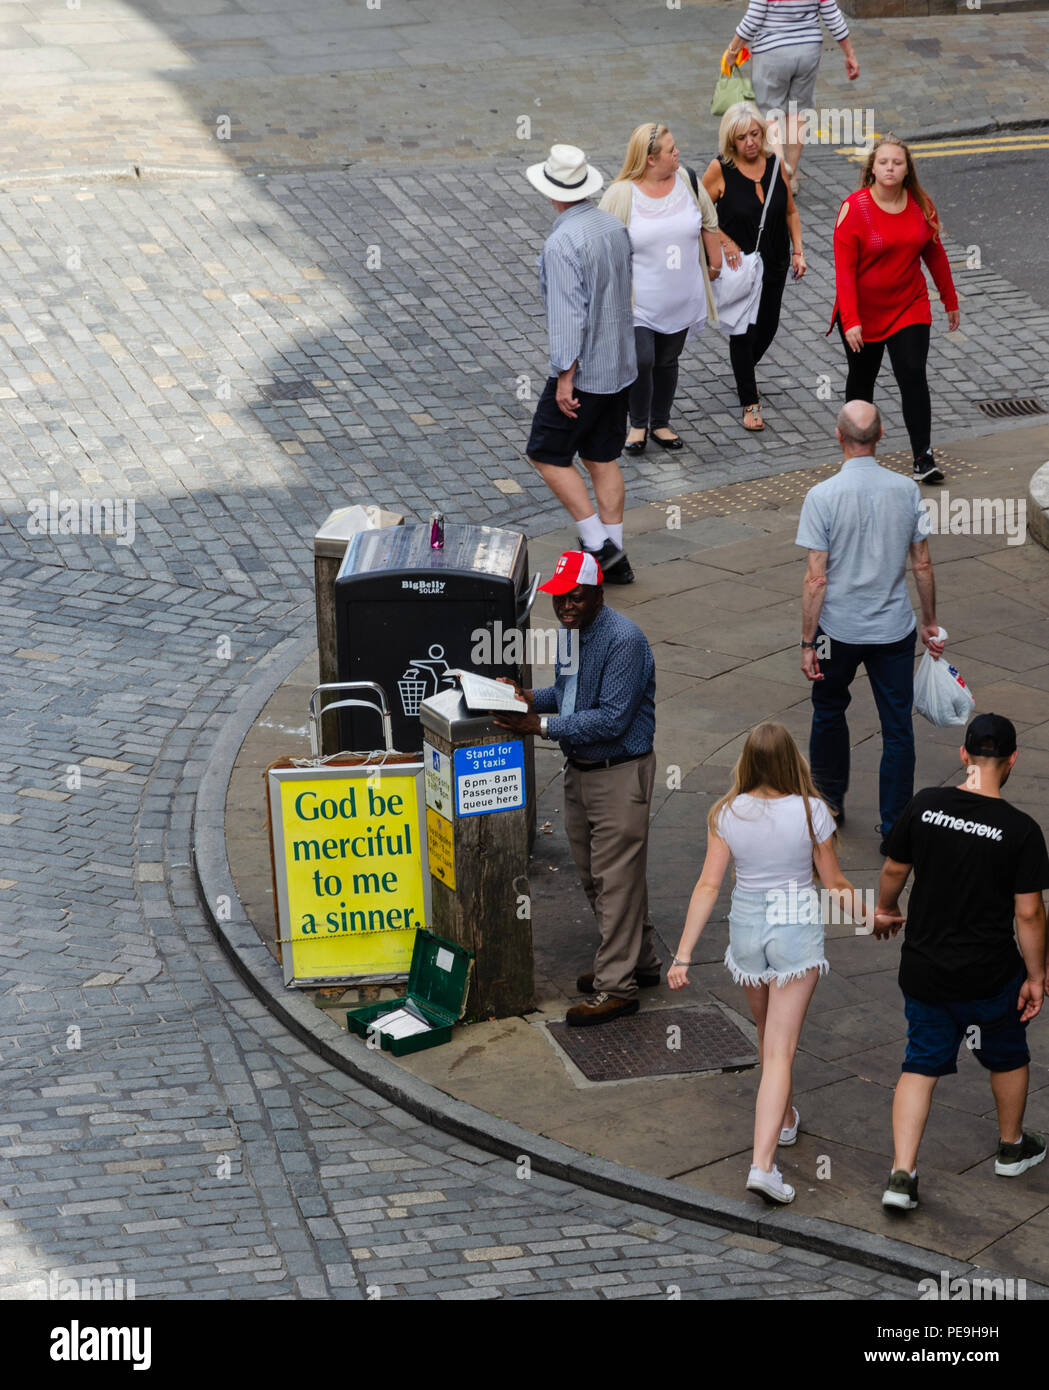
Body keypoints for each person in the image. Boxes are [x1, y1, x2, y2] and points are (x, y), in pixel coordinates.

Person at [669, 722, 892, 1204]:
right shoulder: (813, 812)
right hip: (794, 928)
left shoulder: (726, 812)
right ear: (793, 760)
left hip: (747, 927)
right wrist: (872, 918)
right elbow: (834, 885)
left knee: (768, 1034)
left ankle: (786, 1120)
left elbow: (708, 885)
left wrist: (683, 954)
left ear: (746, 761)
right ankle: (763, 1165)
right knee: (779, 1052)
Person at [875, 714, 1049, 1213]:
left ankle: (902, 1174)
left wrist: (887, 910)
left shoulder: (927, 804)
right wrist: (1036, 977)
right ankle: (1012, 1147)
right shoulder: (1021, 831)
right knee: (1008, 1052)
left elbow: (893, 867)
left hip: (926, 969)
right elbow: (1029, 913)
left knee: (920, 1063)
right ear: (1013, 760)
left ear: (963, 755)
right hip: (991, 975)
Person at [494, 550, 659, 1026]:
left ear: (597, 595)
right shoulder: (572, 635)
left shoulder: (624, 641)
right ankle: (638, 961)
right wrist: (525, 696)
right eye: (559, 597)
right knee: (597, 877)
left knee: (615, 881)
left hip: (619, 771)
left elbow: (611, 718)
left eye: (576, 596)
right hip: (582, 771)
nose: (565, 604)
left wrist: (538, 725)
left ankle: (617, 987)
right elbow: (566, 696)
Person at [797, 400, 945, 850]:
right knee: (897, 726)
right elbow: (921, 564)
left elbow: (816, 578)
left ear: (839, 437)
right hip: (893, 631)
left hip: (834, 632)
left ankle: (829, 801)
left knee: (827, 711)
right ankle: (895, 822)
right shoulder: (906, 490)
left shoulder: (821, 497)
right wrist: (930, 622)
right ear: (881, 437)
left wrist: (808, 641)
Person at [525, 144, 637, 584]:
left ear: (553, 192)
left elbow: (570, 314)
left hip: (585, 372)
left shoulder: (561, 242)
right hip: (620, 365)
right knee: (603, 458)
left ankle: (597, 546)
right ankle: (617, 554)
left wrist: (564, 377)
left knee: (547, 453)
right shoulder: (612, 226)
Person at [830, 137, 961, 485]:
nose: (890, 168)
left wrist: (949, 299)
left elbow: (934, 252)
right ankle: (857, 457)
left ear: (907, 169)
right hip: (863, 311)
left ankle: (923, 457)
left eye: (897, 163)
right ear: (872, 168)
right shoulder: (853, 208)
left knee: (913, 374)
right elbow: (844, 270)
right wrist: (852, 319)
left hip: (909, 305)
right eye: (883, 162)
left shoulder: (920, 204)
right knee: (861, 381)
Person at [599, 122, 722, 456]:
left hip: (682, 298)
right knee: (643, 358)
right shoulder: (622, 194)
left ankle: (660, 422)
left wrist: (714, 264)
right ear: (651, 159)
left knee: (667, 360)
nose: (677, 152)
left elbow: (708, 222)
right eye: (670, 150)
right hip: (638, 302)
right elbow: (602, 242)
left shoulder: (687, 181)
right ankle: (637, 424)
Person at [702, 103, 805, 432]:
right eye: (742, 137)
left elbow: (790, 211)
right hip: (740, 266)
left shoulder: (775, 165)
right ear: (731, 141)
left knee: (769, 327)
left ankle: (742, 370)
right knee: (743, 332)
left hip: (774, 262)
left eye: (755, 134)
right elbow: (699, 213)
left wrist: (799, 251)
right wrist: (725, 241)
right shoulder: (720, 169)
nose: (750, 142)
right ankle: (750, 402)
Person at [722, 0, 858, 192]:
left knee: (770, 113)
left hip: (772, 52)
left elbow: (753, 20)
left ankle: (781, 174)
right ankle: (791, 175)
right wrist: (849, 53)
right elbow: (833, 16)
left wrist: (733, 50)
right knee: (798, 112)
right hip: (808, 50)